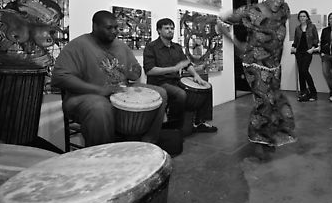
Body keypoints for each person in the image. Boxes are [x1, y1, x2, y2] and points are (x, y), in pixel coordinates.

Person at [51, 10, 168, 146]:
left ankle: (148, 143)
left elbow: (136, 69)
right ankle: (102, 157)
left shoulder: (121, 46)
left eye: (116, 28)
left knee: (161, 93)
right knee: (100, 107)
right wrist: (99, 90)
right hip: (85, 96)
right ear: (95, 26)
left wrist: (134, 72)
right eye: (109, 28)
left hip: (120, 92)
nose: (114, 31)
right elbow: (60, 77)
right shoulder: (78, 45)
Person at [218, 0, 296, 158]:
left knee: (275, 99)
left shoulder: (284, 10)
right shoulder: (251, 12)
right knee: (264, 101)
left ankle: (269, 135)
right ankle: (259, 138)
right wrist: (233, 39)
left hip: (274, 64)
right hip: (255, 63)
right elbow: (224, 19)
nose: (279, 2)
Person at [143, 18, 217, 133]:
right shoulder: (151, 47)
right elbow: (149, 70)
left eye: (172, 28)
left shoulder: (176, 47)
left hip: (176, 80)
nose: (170, 31)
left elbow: (187, 64)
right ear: (159, 30)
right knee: (180, 94)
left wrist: (196, 76)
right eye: (166, 28)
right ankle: (173, 126)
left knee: (206, 87)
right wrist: (173, 69)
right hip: (159, 83)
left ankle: (200, 122)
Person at [291, 10, 319, 102]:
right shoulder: (297, 28)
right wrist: (293, 47)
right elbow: (295, 41)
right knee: (301, 72)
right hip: (299, 52)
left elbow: (316, 40)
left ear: (307, 17)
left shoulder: (312, 27)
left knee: (304, 70)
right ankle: (303, 92)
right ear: (299, 18)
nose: (302, 18)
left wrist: (312, 49)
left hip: (308, 52)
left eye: (304, 16)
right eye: (300, 16)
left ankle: (313, 92)